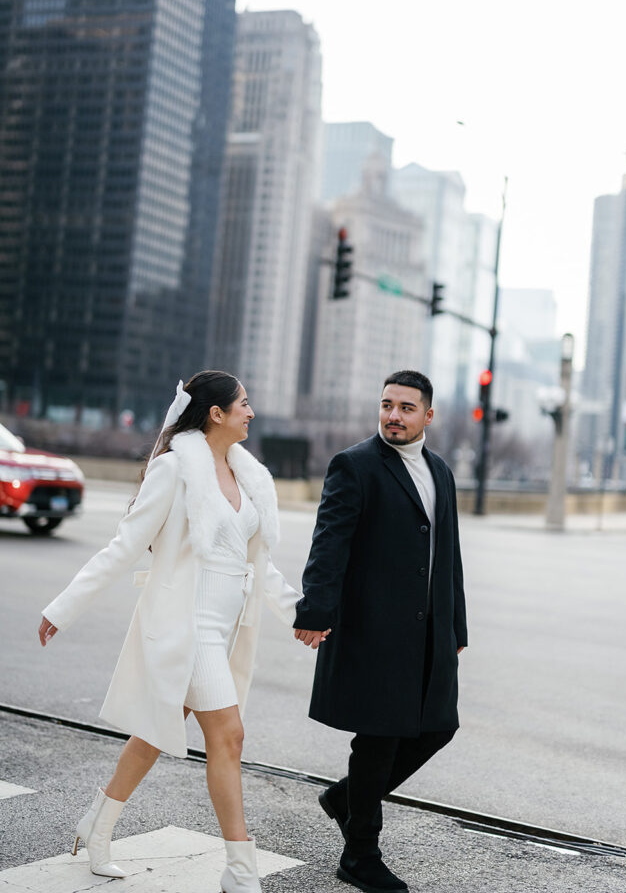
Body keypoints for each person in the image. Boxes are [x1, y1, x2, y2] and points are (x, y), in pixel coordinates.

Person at [38, 371, 322, 893]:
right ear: (215, 413)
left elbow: (259, 566)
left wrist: (301, 616)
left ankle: (95, 827)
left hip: (226, 629)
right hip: (186, 626)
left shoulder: (245, 476)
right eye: (243, 403)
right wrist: (63, 607)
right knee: (229, 736)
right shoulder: (174, 470)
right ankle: (240, 869)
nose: (250, 412)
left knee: (151, 736)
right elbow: (123, 546)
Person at [294, 369, 467, 893]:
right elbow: (331, 542)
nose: (393, 415)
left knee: (439, 726)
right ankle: (359, 855)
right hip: (374, 627)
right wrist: (314, 610)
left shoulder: (440, 471)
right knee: (379, 740)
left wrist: (455, 623)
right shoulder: (355, 465)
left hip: (428, 630)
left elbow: (448, 556)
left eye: (406, 407)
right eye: (387, 404)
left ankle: (345, 798)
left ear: (427, 415)